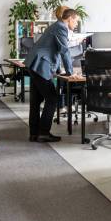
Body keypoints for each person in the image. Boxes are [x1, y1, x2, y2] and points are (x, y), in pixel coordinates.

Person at [25, 8, 83, 142]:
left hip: (35, 64)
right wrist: (70, 73)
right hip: (40, 66)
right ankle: (43, 133)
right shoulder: (61, 28)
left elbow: (54, 50)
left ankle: (34, 133)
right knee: (52, 99)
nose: (76, 25)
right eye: (76, 21)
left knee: (36, 101)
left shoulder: (56, 26)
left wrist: (58, 71)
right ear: (70, 19)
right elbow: (64, 51)